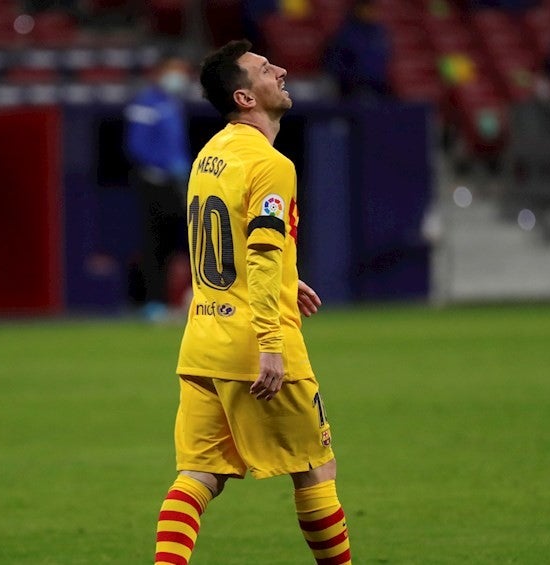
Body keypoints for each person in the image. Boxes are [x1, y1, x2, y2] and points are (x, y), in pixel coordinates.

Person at [152, 40, 352, 565]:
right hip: (255, 342)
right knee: (315, 466)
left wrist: (288, 275)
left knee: (199, 475)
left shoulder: (209, 156)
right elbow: (260, 252)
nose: (281, 70)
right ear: (245, 97)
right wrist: (270, 343)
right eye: (267, 69)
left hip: (202, 342)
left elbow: (233, 244)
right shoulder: (271, 164)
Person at [124, 55, 192, 320]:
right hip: (153, 182)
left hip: (176, 183)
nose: (180, 76)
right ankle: (154, 304)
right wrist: (166, 164)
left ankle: (187, 301)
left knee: (186, 242)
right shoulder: (145, 103)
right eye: (175, 70)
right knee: (155, 244)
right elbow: (136, 146)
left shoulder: (173, 104)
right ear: (161, 72)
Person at [323, 0, 391, 99]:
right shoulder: (345, 34)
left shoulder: (379, 32)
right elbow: (335, 64)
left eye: (371, 9)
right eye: (366, 9)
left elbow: (383, 60)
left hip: (379, 87)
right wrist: (352, 80)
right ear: (358, 10)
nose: (370, 12)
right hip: (353, 89)